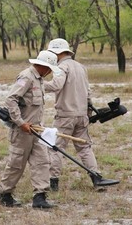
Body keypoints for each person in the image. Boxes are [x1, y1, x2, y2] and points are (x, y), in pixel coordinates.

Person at [45, 38, 119, 191]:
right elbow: (88, 92)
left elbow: (56, 85)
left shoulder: (61, 67)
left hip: (65, 116)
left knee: (55, 148)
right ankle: (96, 178)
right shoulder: (81, 67)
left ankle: (53, 183)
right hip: (82, 114)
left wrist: (35, 83)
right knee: (85, 148)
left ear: (56, 53)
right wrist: (88, 113)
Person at [0, 50, 60, 209]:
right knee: (17, 164)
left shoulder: (39, 79)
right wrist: (20, 122)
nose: (51, 72)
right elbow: (11, 100)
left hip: (37, 130)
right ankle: (5, 194)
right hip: (22, 131)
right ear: (43, 66)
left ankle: (40, 197)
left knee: (42, 162)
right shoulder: (26, 77)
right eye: (50, 68)